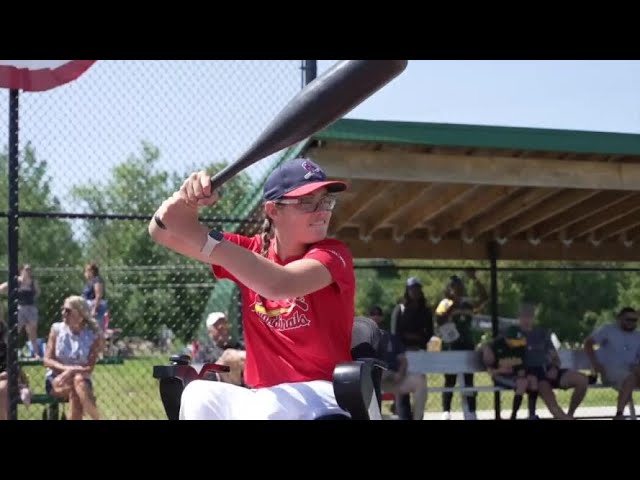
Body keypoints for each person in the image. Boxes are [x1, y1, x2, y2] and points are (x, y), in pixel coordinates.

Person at [149, 157, 356, 420]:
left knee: (270, 407)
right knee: (198, 395)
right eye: (306, 202)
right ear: (272, 210)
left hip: (326, 395)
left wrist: (199, 234)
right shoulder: (251, 252)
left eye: (326, 201)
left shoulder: (333, 255)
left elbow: (279, 284)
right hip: (266, 395)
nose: (322, 211)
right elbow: (162, 232)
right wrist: (183, 200)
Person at [435, 269, 487, 420]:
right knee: (450, 379)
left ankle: (471, 411)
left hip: (467, 344)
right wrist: (453, 305)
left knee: (469, 379)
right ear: (450, 289)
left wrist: (475, 279)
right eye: (454, 287)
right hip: (452, 345)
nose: (458, 289)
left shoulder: (468, 304)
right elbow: (439, 320)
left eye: (460, 286)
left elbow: (484, 298)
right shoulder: (445, 304)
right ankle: (446, 411)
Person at [519, 302, 585, 420]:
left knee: (582, 380)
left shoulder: (542, 334)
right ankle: (565, 418)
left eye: (529, 316)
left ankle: (570, 414)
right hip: (536, 376)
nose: (526, 319)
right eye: (524, 316)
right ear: (518, 317)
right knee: (554, 406)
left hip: (551, 371)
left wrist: (554, 368)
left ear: (534, 317)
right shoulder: (514, 335)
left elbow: (555, 358)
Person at [43, 295, 103, 420]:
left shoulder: (93, 335)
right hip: (57, 378)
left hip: (81, 380)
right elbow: (47, 360)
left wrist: (71, 371)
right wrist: (66, 369)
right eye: (63, 309)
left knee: (78, 384)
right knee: (78, 388)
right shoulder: (56, 329)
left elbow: (89, 367)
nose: (63, 313)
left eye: (68, 310)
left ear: (81, 315)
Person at [371, 305, 427, 420]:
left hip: (394, 378)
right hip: (372, 379)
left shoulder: (392, 338)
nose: (376, 317)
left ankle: (417, 418)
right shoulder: (364, 338)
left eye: (378, 314)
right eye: (373, 314)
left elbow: (403, 360)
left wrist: (400, 374)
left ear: (382, 318)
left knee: (420, 381)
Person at [584, 307, 640, 420]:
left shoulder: (637, 335)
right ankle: (619, 415)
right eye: (628, 319)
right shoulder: (608, 330)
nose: (631, 323)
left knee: (633, 375)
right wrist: (596, 365)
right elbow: (588, 343)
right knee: (630, 378)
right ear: (619, 318)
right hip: (610, 369)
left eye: (634, 320)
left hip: (631, 369)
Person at [482, 325, 536, 420]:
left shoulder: (520, 346)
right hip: (500, 376)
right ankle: (513, 416)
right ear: (507, 338)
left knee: (533, 380)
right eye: (514, 340)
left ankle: (532, 415)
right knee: (522, 383)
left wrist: (520, 372)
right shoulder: (495, 347)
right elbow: (490, 371)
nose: (516, 343)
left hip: (515, 375)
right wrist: (500, 370)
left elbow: (521, 367)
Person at [0, 264, 41, 358]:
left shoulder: (33, 282)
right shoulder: (17, 280)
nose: (28, 271)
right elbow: (2, 288)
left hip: (31, 308)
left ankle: (36, 353)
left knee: (32, 331)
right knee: (14, 330)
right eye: (26, 269)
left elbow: (38, 292)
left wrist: (32, 298)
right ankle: (8, 351)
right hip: (20, 308)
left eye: (30, 270)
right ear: (21, 270)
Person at [197, 311, 246, 386]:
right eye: (217, 326)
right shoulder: (205, 352)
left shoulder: (239, 347)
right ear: (209, 332)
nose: (222, 328)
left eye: (224, 325)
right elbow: (202, 373)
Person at [0, 319, 32, 420]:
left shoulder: (4, 348)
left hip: (5, 383)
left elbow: (15, 370)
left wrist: (9, 374)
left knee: (3, 387)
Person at [81, 262, 108, 331]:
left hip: (94, 306)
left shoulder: (97, 280)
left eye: (86, 271)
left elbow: (98, 295)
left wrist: (94, 309)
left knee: (95, 328)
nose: (85, 273)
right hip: (87, 306)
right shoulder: (90, 282)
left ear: (91, 271)